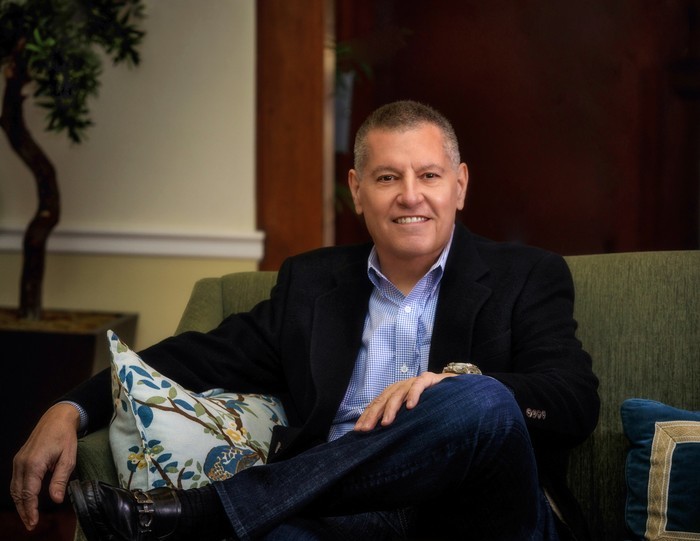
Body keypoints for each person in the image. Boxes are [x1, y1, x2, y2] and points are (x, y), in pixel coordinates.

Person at [11, 100, 599, 540]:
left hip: (477, 517)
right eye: (387, 177)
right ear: (357, 191)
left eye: (429, 175)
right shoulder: (313, 285)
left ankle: (209, 511)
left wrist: (454, 384)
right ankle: (231, 517)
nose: (410, 196)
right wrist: (71, 407)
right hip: (338, 519)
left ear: (460, 186)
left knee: (479, 397)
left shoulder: (527, 275)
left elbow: (573, 401)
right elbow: (198, 356)